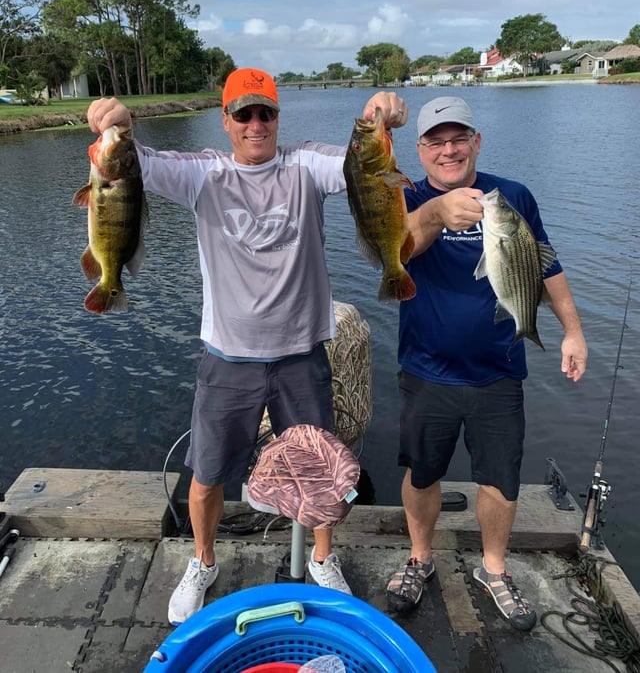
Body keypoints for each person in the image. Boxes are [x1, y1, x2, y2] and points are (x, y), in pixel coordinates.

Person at [87, 68, 407, 626]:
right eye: (244, 113)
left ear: (278, 118)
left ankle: (323, 560)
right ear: (226, 120)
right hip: (227, 357)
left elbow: (361, 166)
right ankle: (203, 561)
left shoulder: (306, 165)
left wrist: (382, 116)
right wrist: (120, 123)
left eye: (266, 113)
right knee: (208, 473)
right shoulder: (203, 175)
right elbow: (134, 163)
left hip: (302, 354)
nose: (256, 124)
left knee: (317, 467)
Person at [385, 95, 587, 631]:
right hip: (426, 369)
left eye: (458, 138)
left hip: (499, 370)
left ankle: (494, 570)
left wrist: (572, 331)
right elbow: (396, 254)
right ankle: (419, 558)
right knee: (421, 472)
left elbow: (546, 265)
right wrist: (434, 212)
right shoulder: (403, 196)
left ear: (476, 141)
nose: (448, 150)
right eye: (435, 141)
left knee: (501, 479)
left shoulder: (514, 196)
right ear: (420, 148)